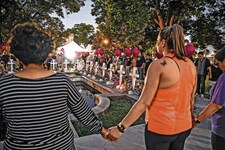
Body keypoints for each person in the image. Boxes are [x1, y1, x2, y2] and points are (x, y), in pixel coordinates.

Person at [0, 22, 109, 150]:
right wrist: (103, 131)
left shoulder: (4, 85)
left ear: (16, 53)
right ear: (46, 53)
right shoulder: (62, 81)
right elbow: (83, 112)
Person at [107, 24, 197, 150]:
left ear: (163, 43)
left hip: (161, 129)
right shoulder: (190, 64)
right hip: (184, 126)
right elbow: (191, 98)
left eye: (157, 41)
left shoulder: (159, 65)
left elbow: (144, 102)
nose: (156, 44)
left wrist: (120, 128)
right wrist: (190, 119)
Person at [194, 47, 225, 150]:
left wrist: (197, 120)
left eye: (219, 62)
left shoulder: (223, 79)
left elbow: (216, 105)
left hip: (221, 130)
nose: (218, 65)